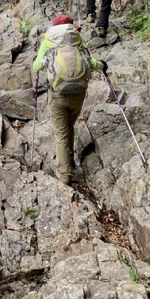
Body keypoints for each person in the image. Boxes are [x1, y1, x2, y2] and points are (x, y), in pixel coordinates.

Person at [31, 14, 106, 186]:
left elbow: (37, 66)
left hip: (58, 94)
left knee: (61, 132)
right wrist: (103, 65)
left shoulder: (48, 41)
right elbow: (92, 62)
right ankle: (69, 159)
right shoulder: (77, 40)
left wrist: (40, 61)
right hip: (79, 92)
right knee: (69, 126)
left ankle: (64, 173)